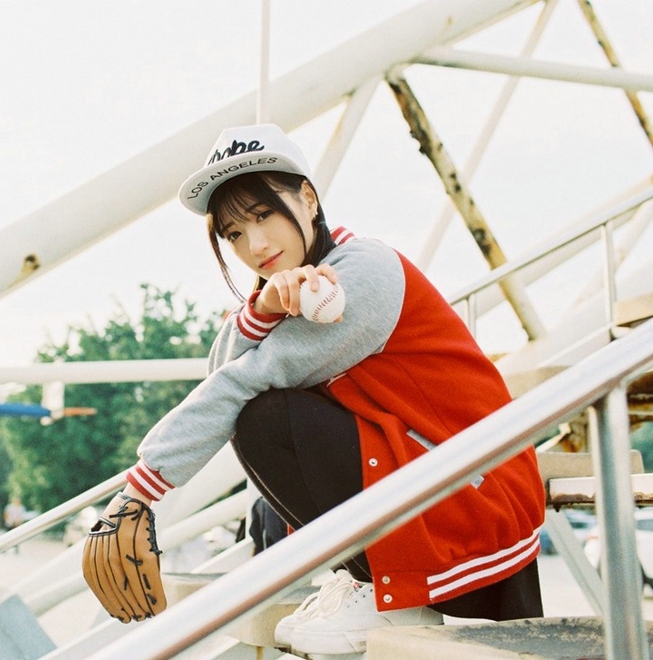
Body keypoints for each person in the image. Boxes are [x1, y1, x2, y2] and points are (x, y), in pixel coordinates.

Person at [100, 124, 546, 655]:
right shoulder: (299, 285)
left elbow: (239, 383)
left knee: (266, 418)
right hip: (426, 474)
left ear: (308, 199)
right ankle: (365, 577)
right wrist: (260, 308)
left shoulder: (362, 272)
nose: (254, 245)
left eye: (263, 215)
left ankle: (387, 592)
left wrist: (139, 490)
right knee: (262, 439)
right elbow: (219, 373)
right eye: (234, 233)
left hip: (474, 488)